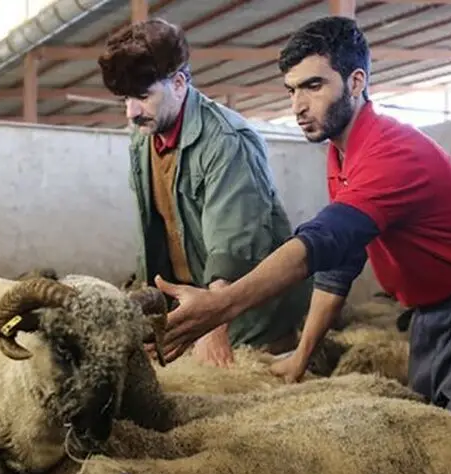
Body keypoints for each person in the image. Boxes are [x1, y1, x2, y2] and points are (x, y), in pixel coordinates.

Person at [152, 15, 451, 474]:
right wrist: (302, 355)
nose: (298, 105)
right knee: (432, 451)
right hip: (430, 317)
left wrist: (221, 306)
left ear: (356, 82)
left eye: (313, 86)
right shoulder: (341, 154)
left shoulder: (391, 151)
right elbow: (339, 265)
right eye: (291, 90)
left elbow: (321, 241)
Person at [97, 18, 312, 366]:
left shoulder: (226, 141)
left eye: (142, 95)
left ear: (179, 83)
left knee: (245, 400)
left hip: (246, 317)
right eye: (125, 99)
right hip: (192, 307)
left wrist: (213, 328)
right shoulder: (144, 137)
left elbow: (233, 245)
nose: (131, 112)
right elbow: (156, 228)